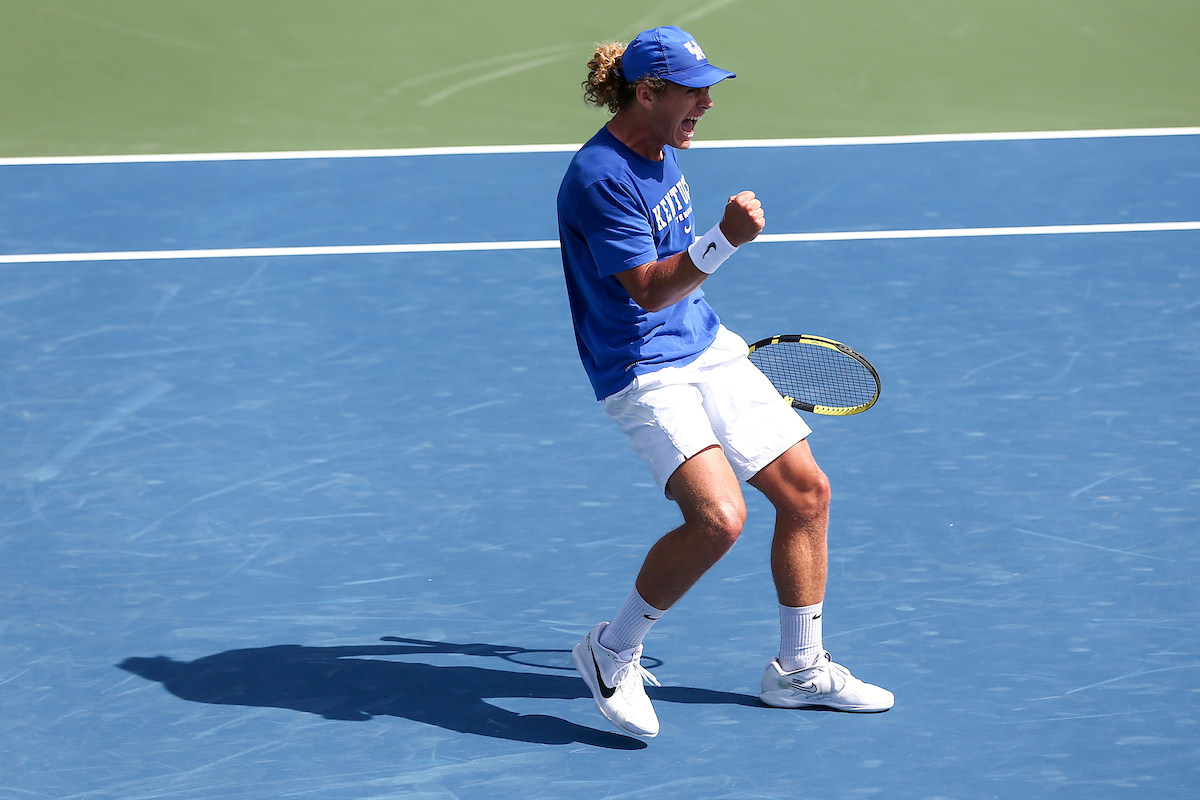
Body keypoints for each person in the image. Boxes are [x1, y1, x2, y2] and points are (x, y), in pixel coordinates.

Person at [556, 25, 894, 739]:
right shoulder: (600, 178)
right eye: (692, 92)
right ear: (646, 94)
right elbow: (648, 291)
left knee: (807, 492)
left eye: (709, 90)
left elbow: (675, 282)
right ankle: (609, 650)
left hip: (706, 346)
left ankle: (798, 671)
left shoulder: (662, 149)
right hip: (642, 370)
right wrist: (724, 240)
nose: (706, 104)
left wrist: (709, 260)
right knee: (720, 520)